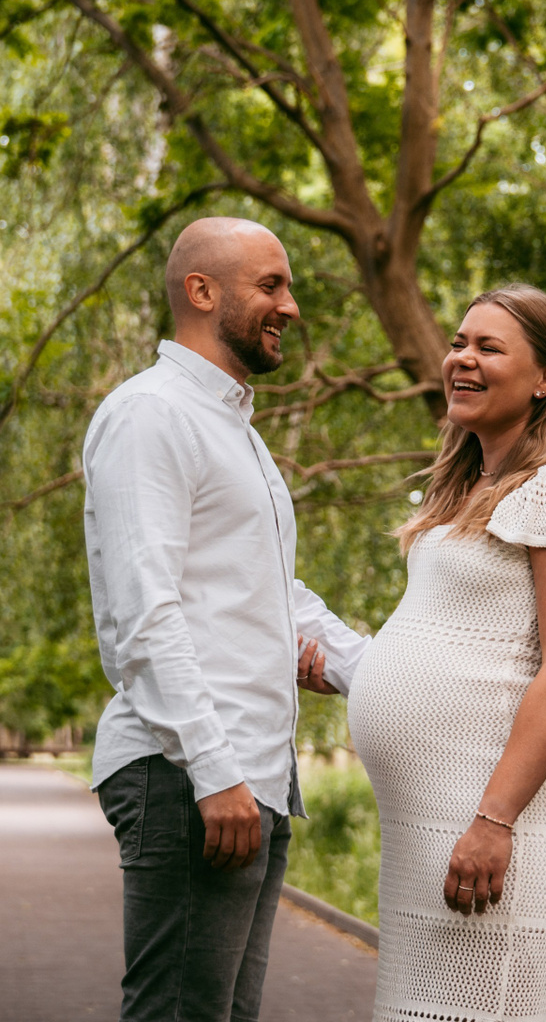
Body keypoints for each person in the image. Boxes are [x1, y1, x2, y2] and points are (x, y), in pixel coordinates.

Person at [82, 216, 370, 1022]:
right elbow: (145, 612)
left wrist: (382, 673)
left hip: (251, 775)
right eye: (271, 285)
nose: (292, 307)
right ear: (202, 291)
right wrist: (213, 772)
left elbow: (272, 593)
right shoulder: (151, 415)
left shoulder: (232, 428)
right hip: (190, 773)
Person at [348, 284, 546, 1022]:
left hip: (498, 813)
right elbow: (451, 645)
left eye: (490, 347)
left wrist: (494, 821)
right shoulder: (464, 493)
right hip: (431, 815)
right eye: (459, 343)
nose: (463, 358)